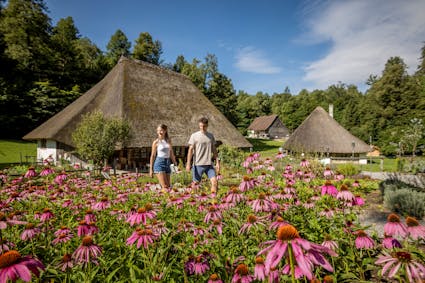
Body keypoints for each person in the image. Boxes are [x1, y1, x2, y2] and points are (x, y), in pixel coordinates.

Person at [186, 117, 220, 194]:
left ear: (207, 125)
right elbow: (190, 150)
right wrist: (188, 164)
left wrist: (217, 162)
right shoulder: (194, 135)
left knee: (214, 182)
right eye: (200, 126)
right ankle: (193, 201)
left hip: (209, 164)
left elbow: (214, 150)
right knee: (195, 186)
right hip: (198, 164)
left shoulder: (210, 136)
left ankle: (214, 200)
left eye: (204, 126)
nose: (202, 128)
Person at [149, 124, 177, 190]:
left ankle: (166, 200)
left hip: (168, 163)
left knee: (168, 186)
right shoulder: (156, 142)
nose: (159, 132)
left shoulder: (168, 141)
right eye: (158, 130)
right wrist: (151, 169)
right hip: (159, 163)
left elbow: (171, 153)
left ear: (165, 131)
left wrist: (175, 165)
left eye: (161, 130)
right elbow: (152, 156)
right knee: (164, 187)